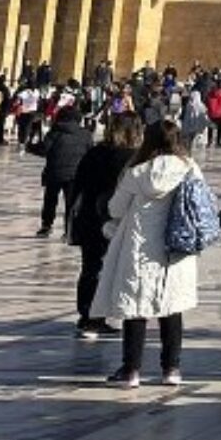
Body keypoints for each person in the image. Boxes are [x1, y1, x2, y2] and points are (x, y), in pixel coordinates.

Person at [93, 119, 200, 389]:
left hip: (140, 247)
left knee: (135, 307)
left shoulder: (137, 172)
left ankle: (131, 370)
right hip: (177, 245)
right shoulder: (190, 168)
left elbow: (116, 209)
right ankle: (171, 368)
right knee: (171, 307)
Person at [70, 116, 141, 337]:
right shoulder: (132, 158)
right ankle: (101, 316)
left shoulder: (93, 153)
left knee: (90, 267)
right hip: (115, 220)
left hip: (88, 217)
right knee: (113, 268)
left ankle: (88, 315)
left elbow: (77, 187)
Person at [32, 106, 92, 239]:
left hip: (54, 172)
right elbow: (90, 153)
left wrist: (30, 147)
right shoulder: (85, 134)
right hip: (76, 174)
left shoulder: (54, 132)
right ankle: (69, 230)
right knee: (71, 203)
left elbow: (43, 150)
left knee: (50, 200)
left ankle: (46, 226)